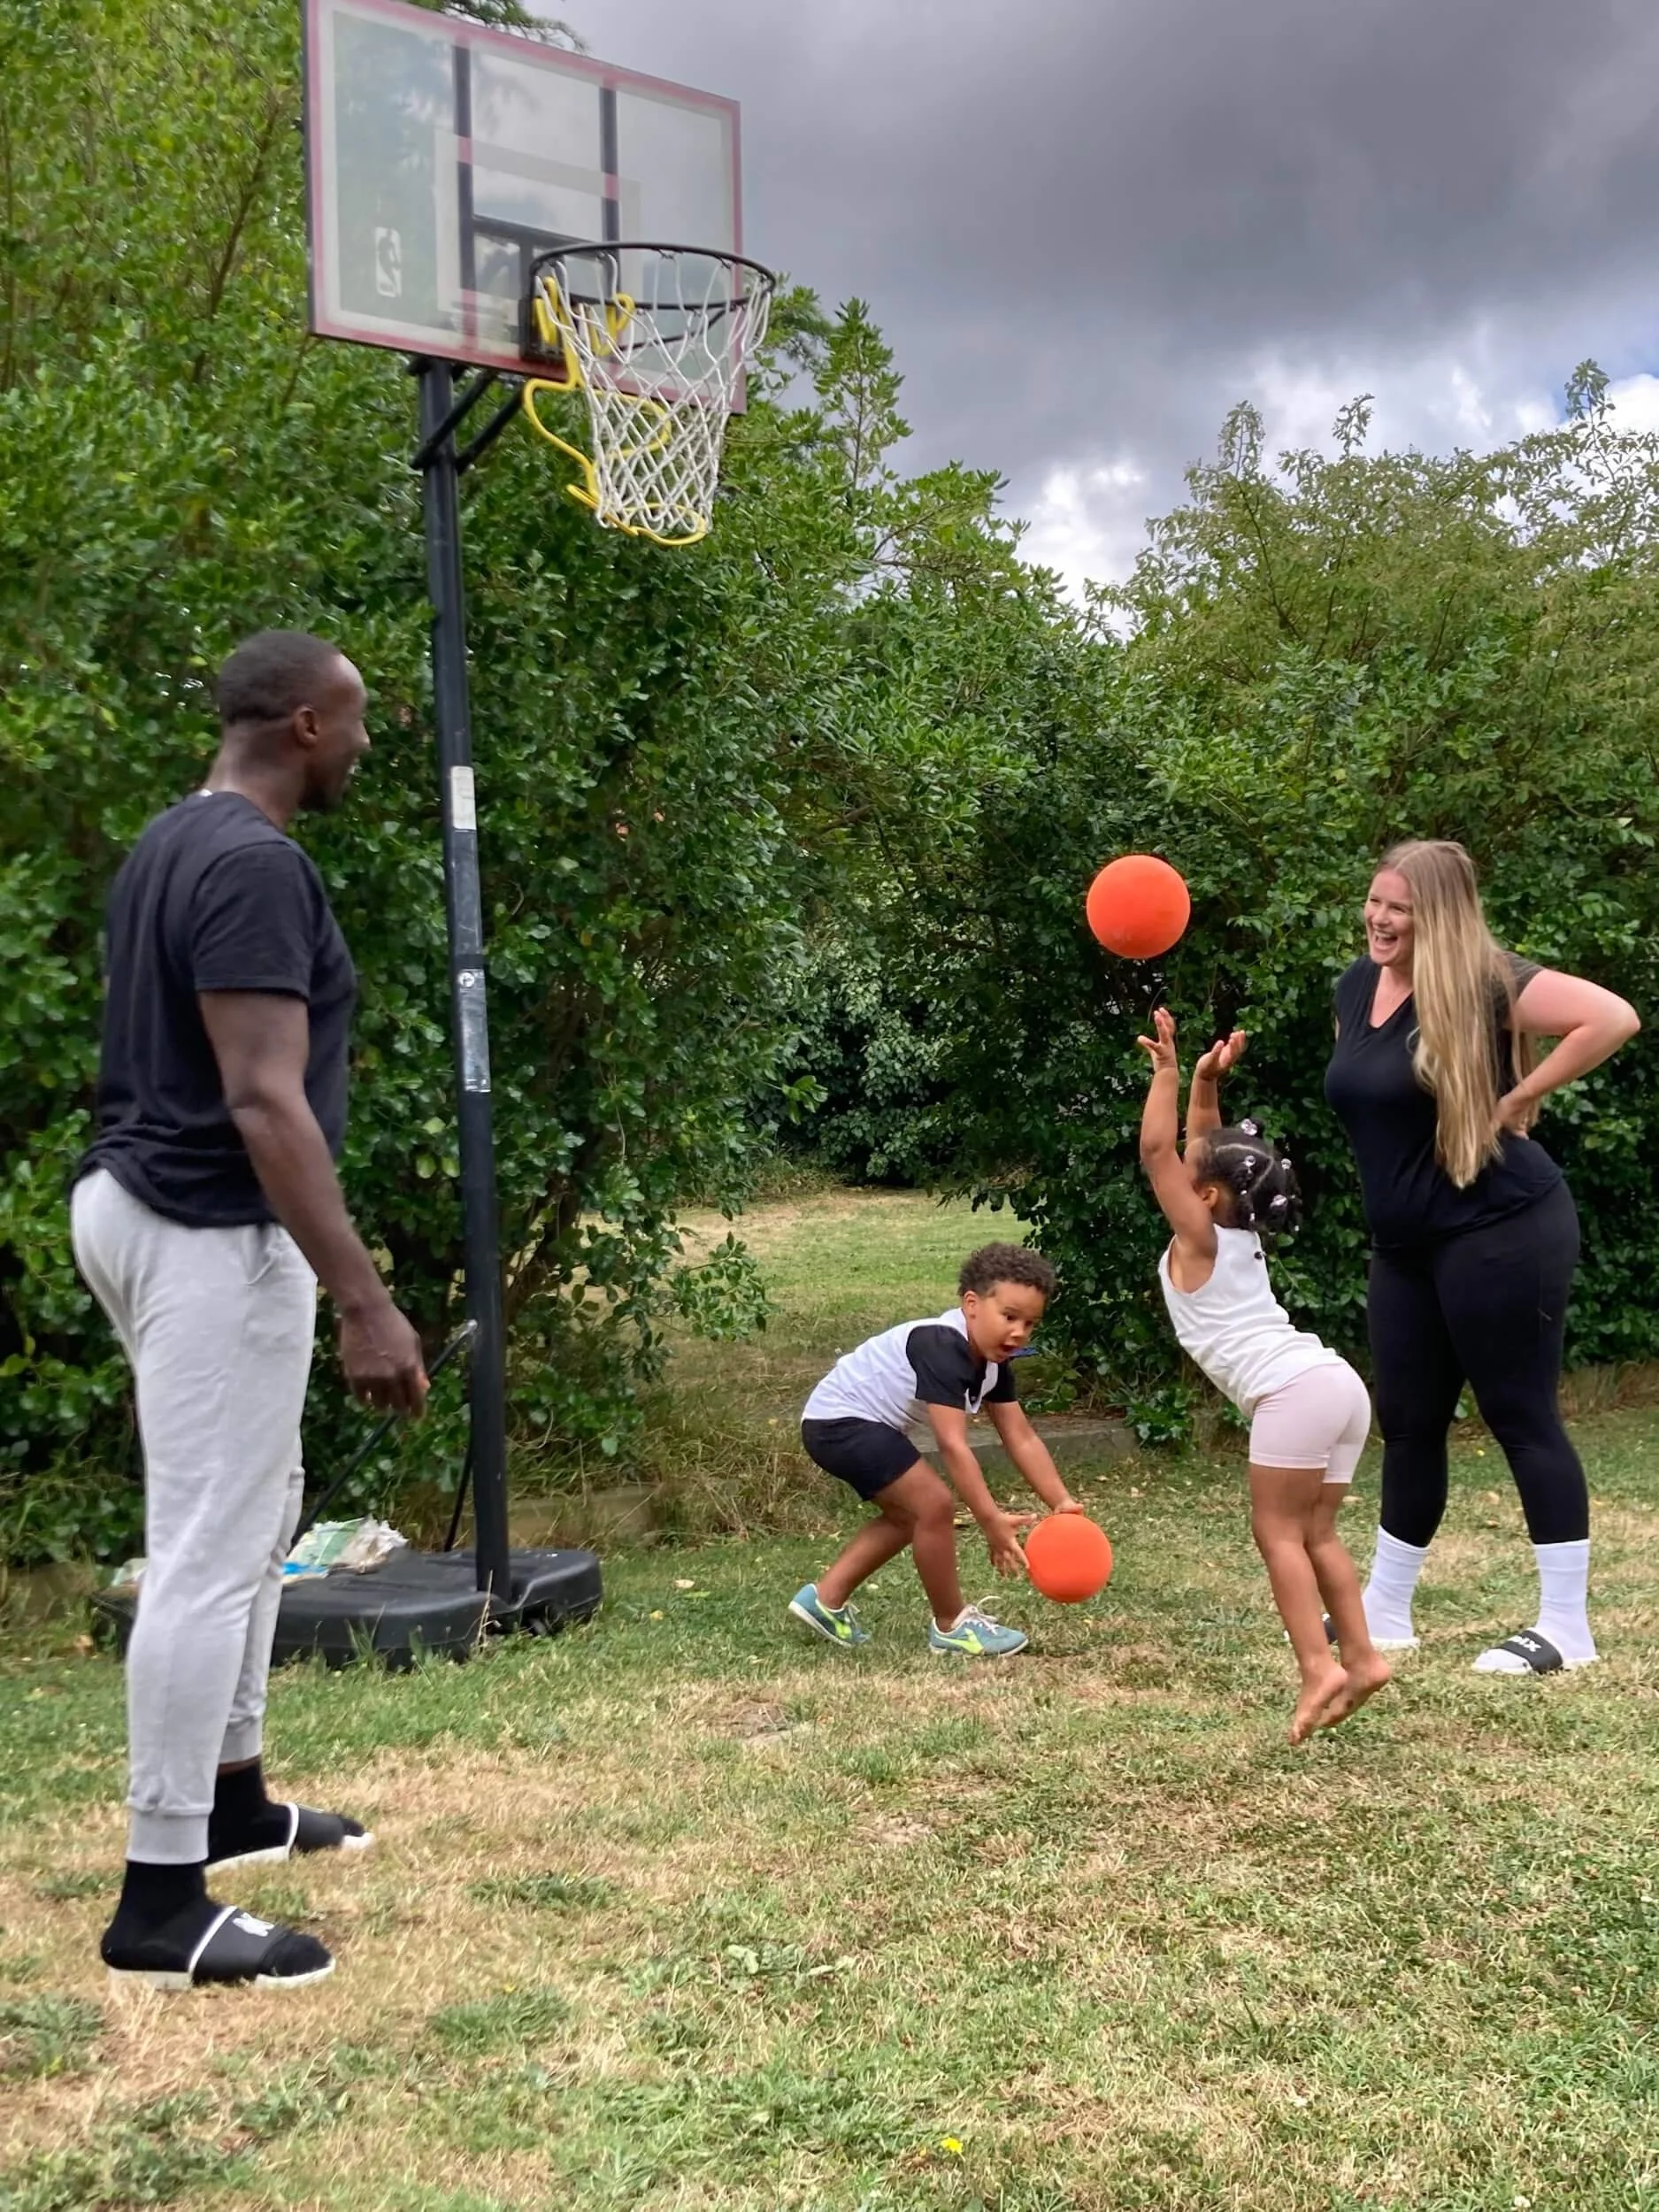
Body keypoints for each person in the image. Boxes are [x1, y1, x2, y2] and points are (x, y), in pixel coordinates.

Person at [71, 630, 429, 1992]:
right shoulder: (254, 867)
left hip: (147, 1206)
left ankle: (230, 1800)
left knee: (257, 1513)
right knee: (209, 1548)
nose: (360, 743)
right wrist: (364, 1300)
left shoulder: (174, 842)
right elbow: (263, 1098)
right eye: (350, 721)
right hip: (205, 1228)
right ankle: (160, 1904)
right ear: (298, 724)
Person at [1324, 841, 1640, 1675]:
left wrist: (1520, 1095)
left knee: (1519, 1414)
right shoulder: (1355, 987)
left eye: (1401, 908)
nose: (1380, 919)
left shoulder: (1484, 981)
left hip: (1500, 1227)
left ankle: (1566, 1628)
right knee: (1410, 1421)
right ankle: (1385, 1609)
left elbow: (1610, 1016)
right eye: (1374, 900)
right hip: (1406, 1247)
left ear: (1438, 916)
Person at [1138, 1009, 1391, 1743]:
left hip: (1292, 1392)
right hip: (1336, 1384)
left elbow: (1159, 1150)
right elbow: (1194, 1147)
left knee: (1276, 1532)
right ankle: (1364, 1656)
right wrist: (1207, 1085)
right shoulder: (1235, 1233)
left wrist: (1166, 1071)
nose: (1185, 1173)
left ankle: (1321, 1667)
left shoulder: (1199, 1239)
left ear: (1206, 1197)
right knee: (1318, 1534)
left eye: (1195, 1177)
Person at [789, 1244, 1080, 1657]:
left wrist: (1062, 1501)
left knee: (909, 1515)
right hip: (839, 1423)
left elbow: (1021, 1436)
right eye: (1010, 1316)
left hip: (843, 1425)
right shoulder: (943, 1345)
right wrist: (991, 1521)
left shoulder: (993, 1363)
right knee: (934, 1505)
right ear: (972, 1304)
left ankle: (824, 1600)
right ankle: (952, 1626)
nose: (1019, 1332)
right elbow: (952, 1444)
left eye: (1030, 1323)